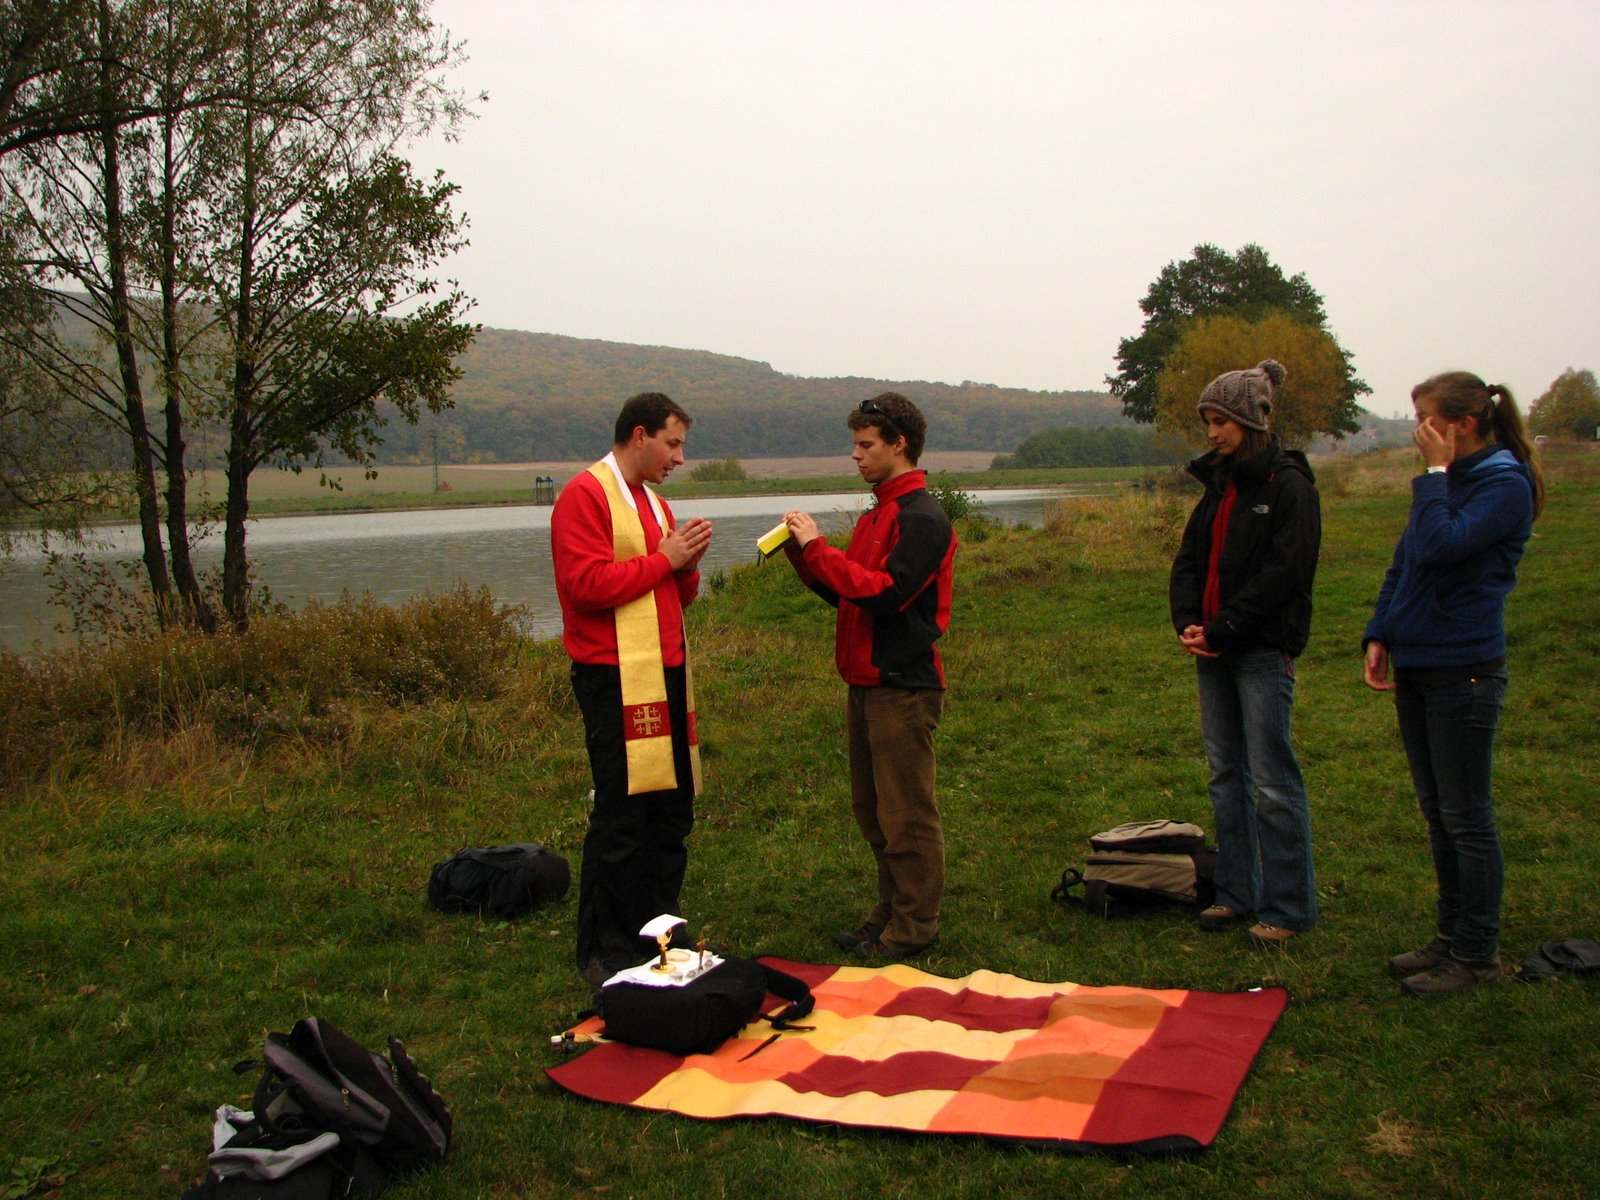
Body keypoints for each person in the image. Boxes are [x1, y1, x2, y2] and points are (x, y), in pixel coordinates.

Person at [1363, 371, 1543, 997]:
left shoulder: (1504, 485)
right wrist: (1381, 632)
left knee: (1467, 817)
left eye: (1427, 418)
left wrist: (1435, 475)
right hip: (1419, 663)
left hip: (1464, 670)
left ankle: (1476, 954)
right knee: (1439, 813)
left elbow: (1443, 547)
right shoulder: (1450, 484)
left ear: (1464, 424)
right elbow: (1407, 561)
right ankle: (1449, 938)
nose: (1418, 429)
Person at [782, 392, 957, 960]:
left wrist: (820, 547)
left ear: (898, 445)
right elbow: (850, 595)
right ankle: (891, 910)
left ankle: (915, 925)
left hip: (902, 684)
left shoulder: (921, 518)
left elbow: (886, 595)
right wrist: (803, 557)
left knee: (906, 814)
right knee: (873, 810)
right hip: (865, 681)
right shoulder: (877, 515)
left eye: (865, 445)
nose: (855, 456)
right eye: (854, 445)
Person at [550, 392, 713, 988]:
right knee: (623, 813)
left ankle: (661, 928)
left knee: (670, 810)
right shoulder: (584, 495)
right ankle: (606, 944)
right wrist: (666, 560)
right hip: (613, 674)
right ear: (639, 435)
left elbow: (674, 594)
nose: (679, 458)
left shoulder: (655, 503)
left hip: (665, 671)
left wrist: (685, 564)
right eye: (673, 443)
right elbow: (585, 586)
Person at [1169, 360, 1321, 948]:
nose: (1212, 433)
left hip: (1260, 651)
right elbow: (1189, 561)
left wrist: (1227, 627)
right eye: (1208, 422)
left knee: (1273, 780)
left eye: (1221, 422)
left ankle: (1288, 908)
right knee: (1225, 774)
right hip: (1213, 650)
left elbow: (1286, 573)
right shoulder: (1218, 487)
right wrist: (1189, 621)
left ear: (1252, 421)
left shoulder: (1291, 487)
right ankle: (1235, 893)